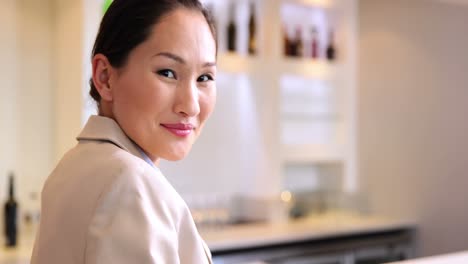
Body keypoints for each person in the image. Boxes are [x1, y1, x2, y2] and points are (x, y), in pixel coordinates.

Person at [31, 0, 217, 263]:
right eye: (167, 72)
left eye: (205, 78)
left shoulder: (72, 166)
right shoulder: (131, 183)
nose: (191, 105)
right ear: (105, 77)